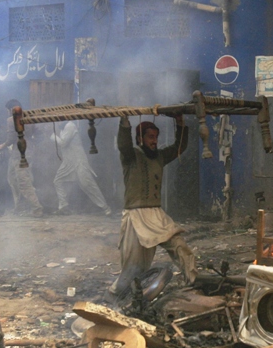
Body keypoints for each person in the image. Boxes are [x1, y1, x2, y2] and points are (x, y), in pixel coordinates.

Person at [108, 114, 197, 300]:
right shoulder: (131, 156)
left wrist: (180, 123)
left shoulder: (159, 157)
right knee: (134, 264)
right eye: (150, 137)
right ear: (140, 138)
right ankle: (118, 294)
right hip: (136, 216)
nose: (154, 141)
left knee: (178, 244)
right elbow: (123, 145)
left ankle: (194, 281)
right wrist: (125, 122)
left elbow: (179, 147)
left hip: (156, 214)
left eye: (156, 137)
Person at [51, 120, 111, 216]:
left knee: (87, 184)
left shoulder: (70, 125)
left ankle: (106, 208)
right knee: (57, 181)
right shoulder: (62, 129)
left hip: (79, 161)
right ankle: (63, 206)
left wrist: (53, 136)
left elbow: (63, 143)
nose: (57, 123)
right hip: (68, 163)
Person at [4, 99, 44, 217]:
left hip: (19, 154)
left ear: (11, 110)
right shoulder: (29, 117)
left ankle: (37, 208)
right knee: (13, 179)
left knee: (23, 181)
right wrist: (31, 143)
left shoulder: (11, 120)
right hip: (27, 152)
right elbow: (40, 135)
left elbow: (11, 138)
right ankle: (19, 207)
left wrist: (1, 146)